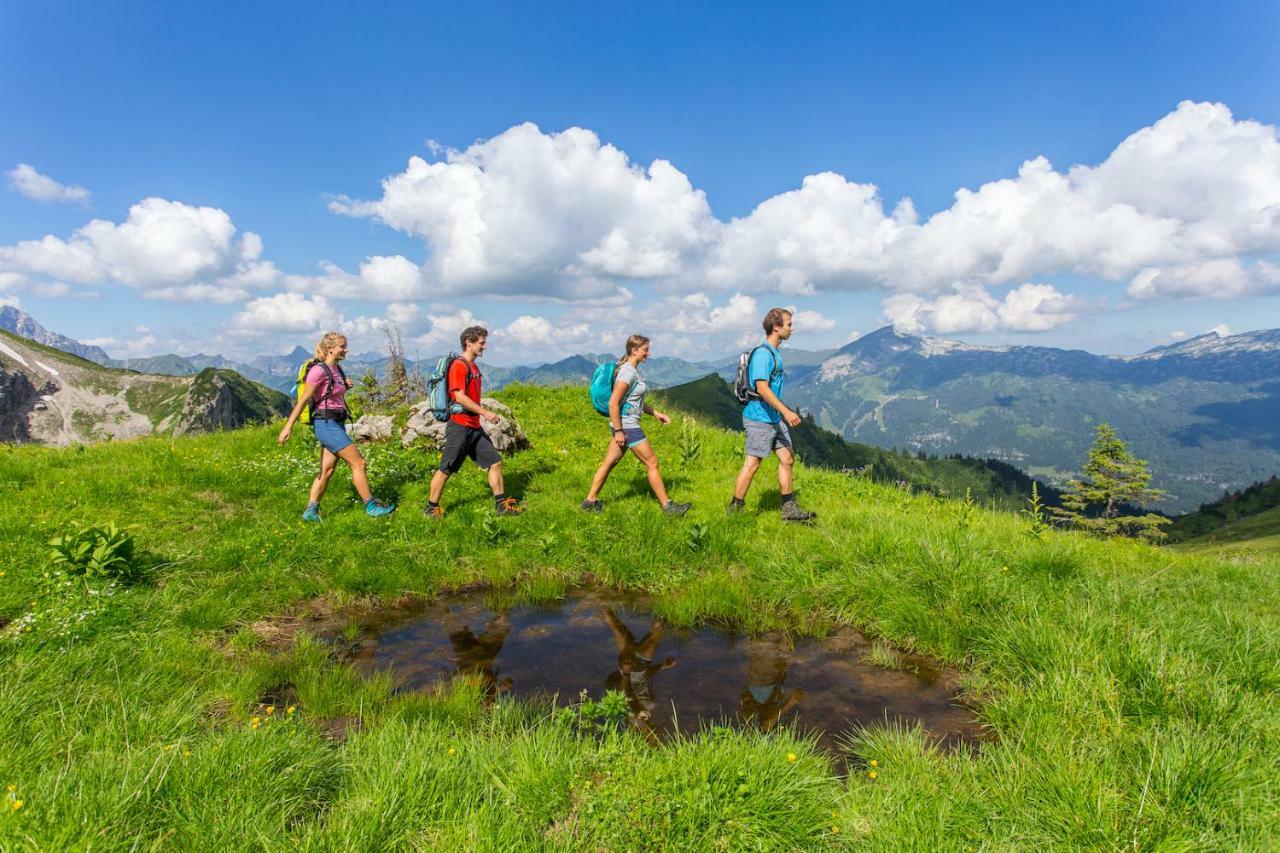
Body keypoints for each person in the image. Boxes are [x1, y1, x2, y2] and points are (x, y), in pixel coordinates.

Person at [278, 331, 396, 520]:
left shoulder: (337, 370)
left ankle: (310, 511)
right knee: (359, 463)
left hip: (336, 422)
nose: (346, 350)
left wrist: (345, 388)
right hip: (326, 424)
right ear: (330, 349)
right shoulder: (318, 371)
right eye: (342, 346)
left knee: (327, 470)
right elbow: (303, 401)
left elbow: (330, 393)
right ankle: (371, 507)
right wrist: (287, 427)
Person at [582, 335, 691, 516]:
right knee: (652, 463)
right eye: (645, 349)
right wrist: (619, 431)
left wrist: (656, 413)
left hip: (624, 425)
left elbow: (634, 401)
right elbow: (613, 402)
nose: (648, 353)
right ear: (634, 350)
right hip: (628, 427)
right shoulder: (628, 373)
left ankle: (590, 501)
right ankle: (668, 507)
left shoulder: (631, 370)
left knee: (610, 462)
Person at [426, 326, 524, 517]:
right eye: (481, 342)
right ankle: (431, 508)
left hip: (473, 427)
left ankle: (501, 506)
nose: (484, 346)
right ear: (468, 343)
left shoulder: (474, 366)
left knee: (495, 462)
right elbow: (458, 396)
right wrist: (485, 412)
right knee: (446, 468)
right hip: (460, 427)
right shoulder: (459, 366)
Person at [730, 308, 816, 521]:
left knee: (787, 458)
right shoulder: (763, 354)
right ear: (776, 327)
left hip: (774, 418)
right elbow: (762, 388)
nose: (791, 328)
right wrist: (786, 411)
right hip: (760, 418)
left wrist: (780, 414)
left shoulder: (775, 352)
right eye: (788, 324)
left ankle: (788, 509)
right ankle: (734, 509)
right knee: (753, 464)